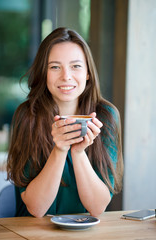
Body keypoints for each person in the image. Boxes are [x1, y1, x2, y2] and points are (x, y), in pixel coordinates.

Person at [7, 27, 123, 218]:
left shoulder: (106, 116)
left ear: (88, 72)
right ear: (44, 73)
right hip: (30, 232)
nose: (66, 76)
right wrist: (60, 150)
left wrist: (78, 152)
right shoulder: (27, 116)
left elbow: (97, 208)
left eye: (76, 66)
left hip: (83, 232)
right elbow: (36, 209)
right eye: (55, 67)